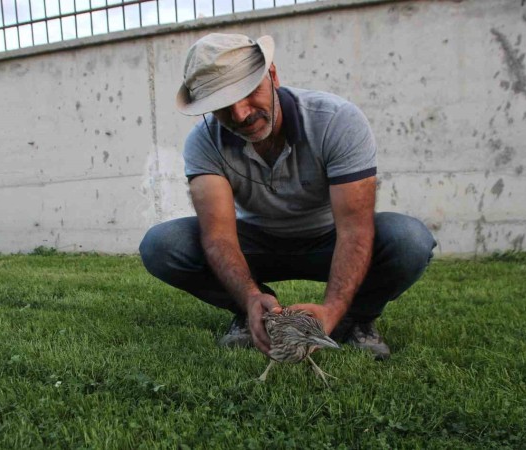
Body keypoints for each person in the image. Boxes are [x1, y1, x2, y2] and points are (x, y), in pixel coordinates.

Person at [139, 33, 436, 360]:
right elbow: (219, 236)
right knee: (162, 244)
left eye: (249, 92)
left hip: (329, 239)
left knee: (409, 239)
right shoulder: (203, 142)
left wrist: (332, 311)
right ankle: (255, 311)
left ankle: (356, 319)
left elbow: (355, 230)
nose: (240, 114)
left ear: (274, 76)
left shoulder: (336, 120)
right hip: (255, 243)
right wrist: (250, 297)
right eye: (222, 106)